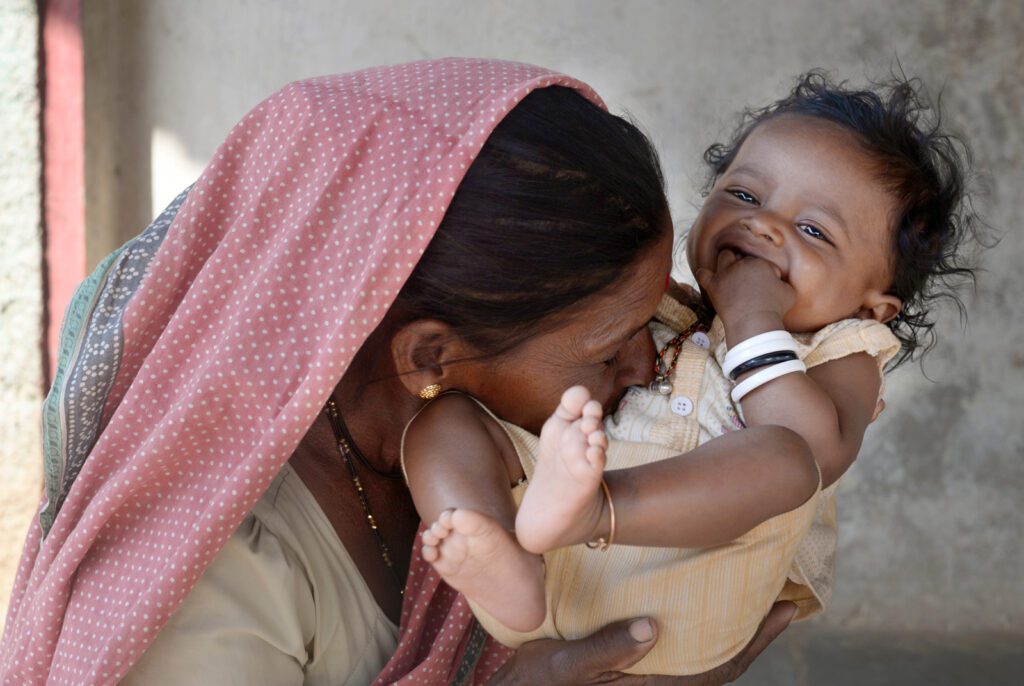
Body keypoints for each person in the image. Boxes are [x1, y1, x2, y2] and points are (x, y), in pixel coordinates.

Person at [0, 59, 791, 686]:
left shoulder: (509, 446)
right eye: (607, 347)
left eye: (653, 316)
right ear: (430, 356)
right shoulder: (206, 568)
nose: (649, 361)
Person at [403, 72, 979, 675]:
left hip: (690, 587)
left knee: (785, 459)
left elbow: (816, 452)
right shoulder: (665, 305)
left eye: (813, 231)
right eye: (745, 195)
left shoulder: (847, 348)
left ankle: (591, 510)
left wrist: (754, 317)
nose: (764, 226)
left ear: (872, 304)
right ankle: (490, 547)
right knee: (443, 419)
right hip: (545, 576)